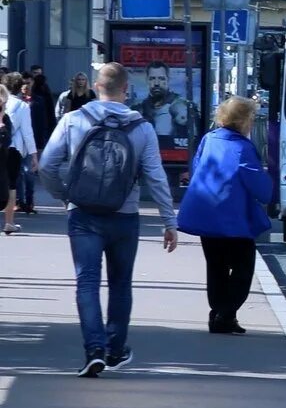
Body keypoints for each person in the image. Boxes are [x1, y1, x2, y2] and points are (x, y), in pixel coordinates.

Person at [40, 62, 178, 376]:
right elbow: (155, 177)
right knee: (120, 284)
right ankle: (116, 350)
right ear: (126, 90)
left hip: (84, 214)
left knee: (86, 282)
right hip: (125, 216)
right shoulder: (141, 127)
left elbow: (47, 164)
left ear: (96, 87)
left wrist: (65, 195)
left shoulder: (73, 119)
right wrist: (169, 221)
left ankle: (94, 350)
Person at [176, 96, 273, 335]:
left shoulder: (209, 139)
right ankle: (226, 313)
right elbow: (259, 186)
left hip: (205, 213)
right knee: (243, 266)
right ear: (244, 120)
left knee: (216, 266)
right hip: (232, 217)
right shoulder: (242, 147)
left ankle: (219, 315)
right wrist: (269, 191)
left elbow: (197, 167)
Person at [1, 77, 33, 236]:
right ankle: (9, 222)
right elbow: (27, 132)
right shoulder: (22, 106)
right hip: (12, 149)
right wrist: (34, 154)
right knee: (11, 185)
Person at [23, 67, 55, 214]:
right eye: (24, 83)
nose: (26, 86)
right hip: (16, 142)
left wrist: (42, 140)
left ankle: (29, 201)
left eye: (29, 83)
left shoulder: (39, 100)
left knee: (29, 172)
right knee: (17, 174)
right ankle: (18, 200)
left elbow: (43, 121)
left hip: (33, 139)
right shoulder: (14, 101)